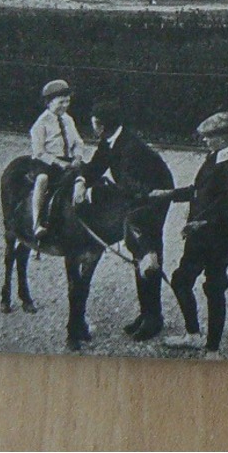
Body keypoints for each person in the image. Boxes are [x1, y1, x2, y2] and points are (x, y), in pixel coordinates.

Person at [73, 101, 174, 341]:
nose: (92, 124)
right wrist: (81, 181)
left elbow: (133, 189)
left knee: (146, 252)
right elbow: (96, 166)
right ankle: (147, 313)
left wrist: (97, 192)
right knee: (139, 252)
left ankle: (153, 318)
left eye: (94, 121)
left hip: (154, 197)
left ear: (101, 124)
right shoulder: (110, 140)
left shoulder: (129, 148)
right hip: (140, 194)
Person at [152, 111, 228, 357]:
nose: (205, 141)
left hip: (218, 241)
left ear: (224, 137)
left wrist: (200, 224)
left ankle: (213, 349)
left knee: (214, 289)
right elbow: (198, 191)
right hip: (198, 239)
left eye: (209, 137)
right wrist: (168, 194)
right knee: (181, 280)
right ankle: (193, 335)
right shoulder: (214, 157)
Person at [29, 79, 84, 237]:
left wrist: (78, 156)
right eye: (61, 102)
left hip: (68, 160)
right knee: (42, 180)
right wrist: (59, 163)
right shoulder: (41, 124)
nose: (65, 106)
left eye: (67, 102)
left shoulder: (68, 120)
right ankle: (37, 222)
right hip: (46, 163)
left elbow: (78, 141)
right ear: (49, 102)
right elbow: (39, 152)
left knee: (87, 175)